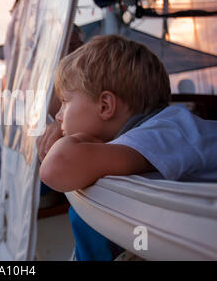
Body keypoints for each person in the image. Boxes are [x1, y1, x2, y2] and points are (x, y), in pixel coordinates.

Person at [37, 34, 217, 260]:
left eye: (65, 101)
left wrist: (74, 141)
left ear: (105, 106)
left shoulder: (165, 132)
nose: (58, 115)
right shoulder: (151, 131)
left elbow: (56, 169)